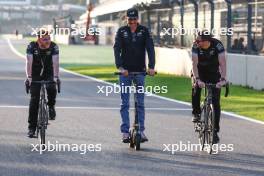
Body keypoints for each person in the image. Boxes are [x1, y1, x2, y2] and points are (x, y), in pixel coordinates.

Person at [114, 8, 155, 143]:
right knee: (124, 103)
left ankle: (141, 131)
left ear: (138, 19)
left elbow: (150, 48)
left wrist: (151, 67)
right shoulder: (121, 31)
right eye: (130, 19)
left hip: (140, 71)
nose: (132, 22)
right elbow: (117, 49)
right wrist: (120, 67)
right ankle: (125, 132)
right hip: (125, 72)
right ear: (126, 19)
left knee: (140, 103)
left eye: (134, 19)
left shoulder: (144, 31)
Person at [191, 30, 227, 144]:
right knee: (196, 88)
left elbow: (222, 62)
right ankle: (196, 113)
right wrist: (197, 79)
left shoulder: (218, 45)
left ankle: (215, 130)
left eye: (199, 40)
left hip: (213, 72)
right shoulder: (195, 45)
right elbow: (194, 64)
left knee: (216, 102)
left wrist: (223, 79)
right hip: (199, 71)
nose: (196, 41)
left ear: (206, 41)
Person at [25, 30, 60, 138]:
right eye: (45, 39)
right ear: (39, 39)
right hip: (35, 73)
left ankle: (51, 106)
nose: (48, 41)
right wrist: (29, 77)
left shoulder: (54, 46)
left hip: (49, 72)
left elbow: (56, 62)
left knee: (51, 87)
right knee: (34, 100)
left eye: (49, 38)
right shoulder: (32, 46)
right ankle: (32, 128)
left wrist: (55, 77)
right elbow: (29, 62)